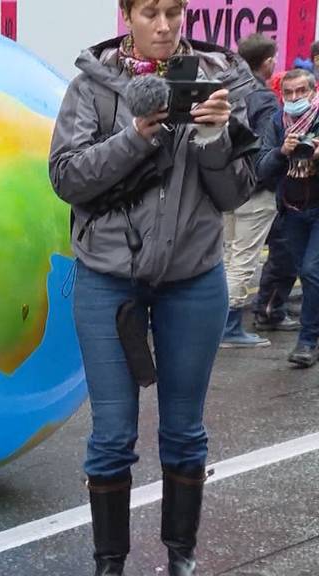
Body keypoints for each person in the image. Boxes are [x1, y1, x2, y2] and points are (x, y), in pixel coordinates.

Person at [49, 0, 257, 574]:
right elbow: (67, 178)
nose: (163, 26)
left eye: (173, 11)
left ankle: (180, 559)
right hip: (108, 281)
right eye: (149, 12)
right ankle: (109, 563)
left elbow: (234, 194)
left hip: (192, 280)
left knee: (184, 429)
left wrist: (215, 137)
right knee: (112, 434)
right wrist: (137, 137)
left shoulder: (220, 81)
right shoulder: (92, 87)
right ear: (126, 14)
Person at [220, 33, 281, 348]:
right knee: (244, 260)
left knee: (228, 256)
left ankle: (218, 325)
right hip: (255, 188)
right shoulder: (265, 98)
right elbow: (267, 144)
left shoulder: (228, 89)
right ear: (267, 61)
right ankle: (228, 329)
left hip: (226, 184)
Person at [257, 69, 319, 368]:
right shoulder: (277, 122)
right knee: (304, 273)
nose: (294, 98)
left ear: (313, 90)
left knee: (310, 272)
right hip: (292, 211)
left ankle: (307, 341)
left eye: (300, 92)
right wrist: (282, 151)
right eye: (288, 93)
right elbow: (262, 167)